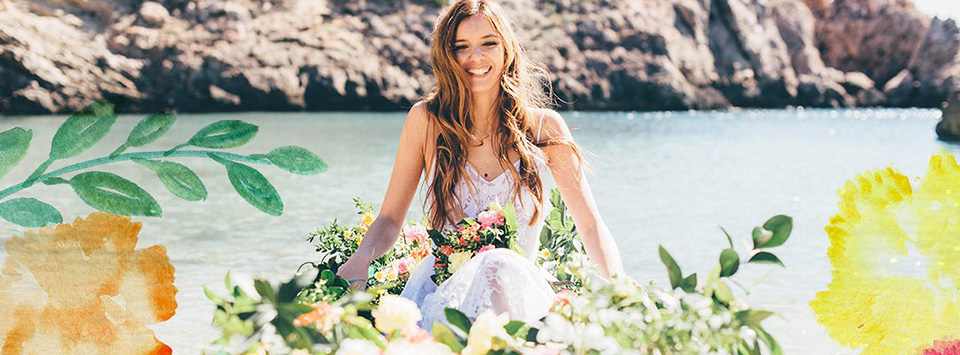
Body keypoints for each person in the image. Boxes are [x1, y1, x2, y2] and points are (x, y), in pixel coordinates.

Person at [336, 0, 625, 329]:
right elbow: (389, 219)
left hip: (516, 295)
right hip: (441, 293)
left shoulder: (545, 129)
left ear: (507, 49)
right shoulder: (427, 121)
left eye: (489, 43)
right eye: (462, 47)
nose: (476, 57)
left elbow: (590, 226)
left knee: (500, 263)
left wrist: (621, 288)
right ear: (448, 55)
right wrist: (361, 258)